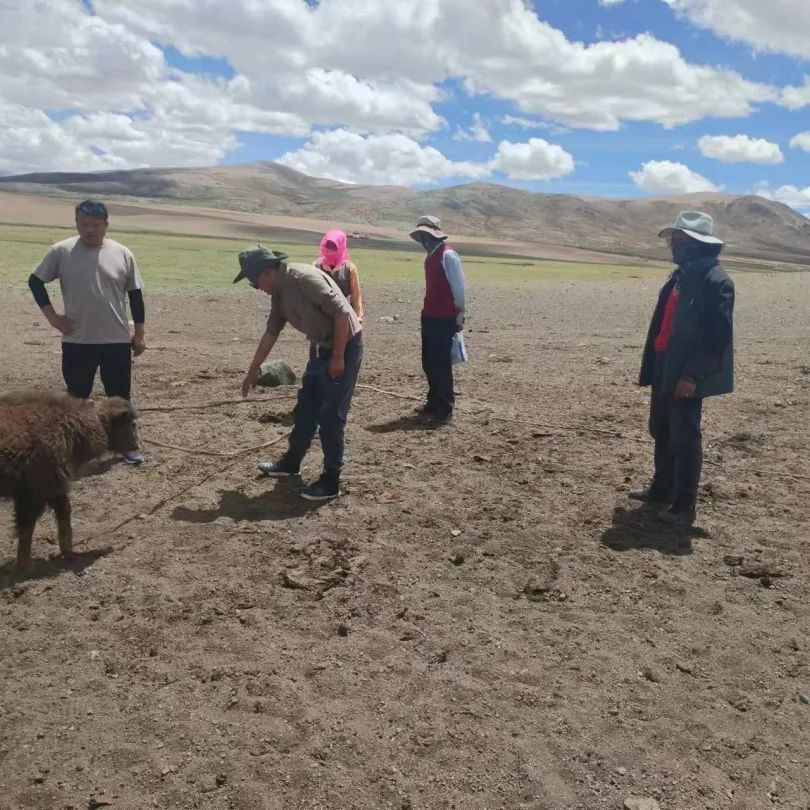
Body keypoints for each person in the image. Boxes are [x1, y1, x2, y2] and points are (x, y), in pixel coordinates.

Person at [632, 211, 735, 527]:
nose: (675, 245)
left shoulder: (716, 281)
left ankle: (684, 505)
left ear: (700, 244)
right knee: (661, 428)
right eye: (673, 240)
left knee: (685, 436)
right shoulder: (679, 277)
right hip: (665, 362)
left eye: (681, 240)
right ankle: (662, 489)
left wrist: (692, 376)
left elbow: (716, 338)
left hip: (685, 370)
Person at [236, 247, 363, 501]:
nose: (256, 287)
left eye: (254, 281)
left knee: (331, 415)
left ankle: (331, 480)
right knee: (306, 408)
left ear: (268, 272)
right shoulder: (279, 292)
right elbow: (272, 330)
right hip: (321, 348)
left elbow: (341, 314)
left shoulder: (304, 279)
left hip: (344, 345)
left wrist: (338, 357)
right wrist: (252, 371)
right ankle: (291, 462)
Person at [28, 199, 147, 466]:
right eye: (84, 224)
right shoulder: (61, 251)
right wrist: (52, 317)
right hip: (77, 340)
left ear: (106, 225)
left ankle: (127, 446)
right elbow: (35, 281)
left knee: (119, 399)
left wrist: (139, 334)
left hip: (116, 339)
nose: (90, 230)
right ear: (77, 224)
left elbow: (136, 296)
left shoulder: (123, 253)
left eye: (95, 225)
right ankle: (74, 449)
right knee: (76, 397)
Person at [408, 215, 466, 423]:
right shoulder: (431, 256)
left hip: (444, 318)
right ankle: (433, 402)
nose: (424, 239)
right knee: (429, 362)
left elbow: (459, 290)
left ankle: (444, 409)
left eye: (426, 235)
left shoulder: (448, 256)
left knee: (441, 363)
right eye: (422, 235)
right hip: (429, 315)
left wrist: (459, 316)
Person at [314, 229, 364, 322]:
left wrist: (358, 317)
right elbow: (311, 293)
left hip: (344, 316)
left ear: (341, 247)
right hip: (321, 317)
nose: (329, 250)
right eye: (327, 246)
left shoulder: (349, 269)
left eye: (333, 247)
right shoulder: (316, 266)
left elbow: (356, 296)